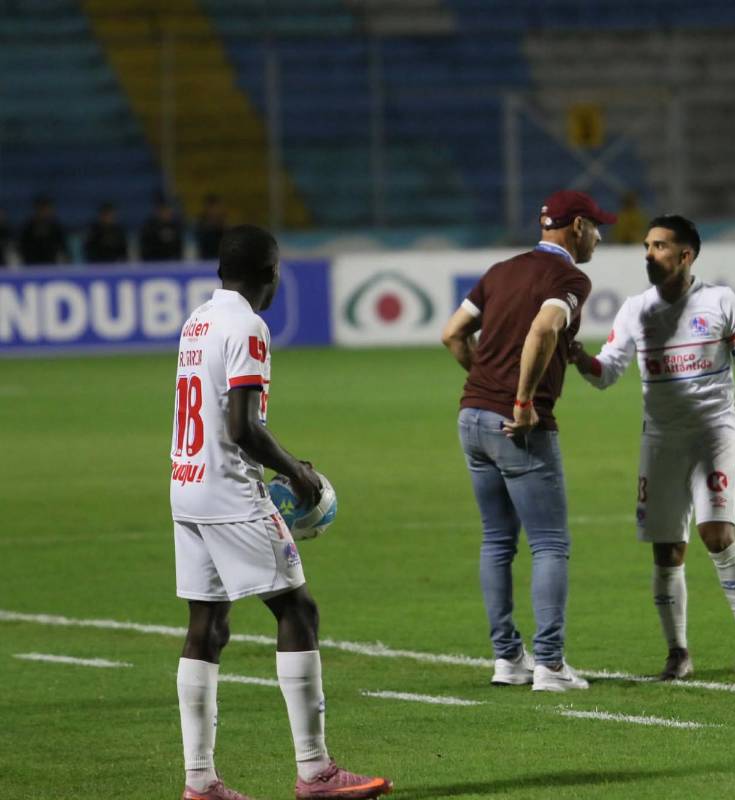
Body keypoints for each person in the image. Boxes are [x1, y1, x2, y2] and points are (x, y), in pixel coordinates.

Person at [171, 225, 392, 800]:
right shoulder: (248, 325)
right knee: (298, 609)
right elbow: (243, 427)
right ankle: (315, 770)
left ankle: (200, 782)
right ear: (271, 272)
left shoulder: (197, 320)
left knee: (207, 628)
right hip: (228, 492)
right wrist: (297, 472)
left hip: (186, 484)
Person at [569, 214, 735, 680]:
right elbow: (607, 373)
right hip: (661, 442)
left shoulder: (721, 301)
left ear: (686, 255)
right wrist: (581, 359)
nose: (649, 253)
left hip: (713, 433)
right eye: (646, 245)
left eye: (659, 245)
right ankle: (677, 652)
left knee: (716, 534)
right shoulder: (634, 310)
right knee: (667, 552)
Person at [440, 189, 615, 693]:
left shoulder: (500, 271)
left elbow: (453, 334)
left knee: (497, 541)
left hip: (471, 417)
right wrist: (519, 400)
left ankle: (507, 659)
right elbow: (543, 329)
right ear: (576, 226)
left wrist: (488, 386)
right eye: (597, 226)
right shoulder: (569, 278)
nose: (600, 237)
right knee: (550, 544)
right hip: (517, 425)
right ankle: (551, 664)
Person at [18, 194, 69, 265]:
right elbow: (21, 248)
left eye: (49, 209)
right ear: (37, 210)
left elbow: (64, 248)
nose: (46, 212)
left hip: (52, 265)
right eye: (44, 209)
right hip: (31, 265)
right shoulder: (28, 227)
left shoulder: (56, 227)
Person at [141, 193, 185, 261]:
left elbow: (179, 250)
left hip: (172, 264)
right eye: (163, 210)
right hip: (153, 264)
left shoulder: (175, 226)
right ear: (157, 211)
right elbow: (145, 251)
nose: (166, 213)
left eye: (168, 210)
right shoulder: (149, 227)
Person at [196, 193, 228, 261]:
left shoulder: (222, 223)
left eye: (217, 207)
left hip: (220, 259)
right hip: (205, 259)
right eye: (212, 207)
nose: (215, 210)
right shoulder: (200, 223)